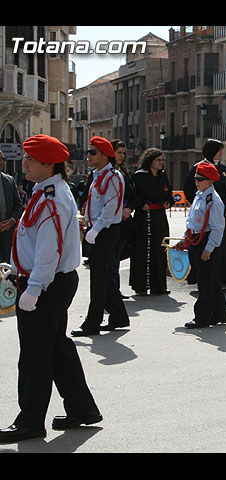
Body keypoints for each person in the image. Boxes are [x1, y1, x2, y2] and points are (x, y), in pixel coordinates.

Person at [0, 135, 101, 443]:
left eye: (31, 159)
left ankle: (30, 421)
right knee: (56, 346)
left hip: (47, 283)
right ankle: (82, 408)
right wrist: (16, 269)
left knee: (35, 353)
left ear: (48, 164)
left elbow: (49, 250)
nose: (25, 163)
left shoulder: (51, 198)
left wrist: (34, 288)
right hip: (49, 280)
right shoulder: (46, 191)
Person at [72, 136, 129, 336]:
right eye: (89, 151)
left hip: (104, 231)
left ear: (105, 155)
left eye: (93, 152)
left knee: (98, 278)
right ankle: (119, 316)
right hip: (96, 230)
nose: (88, 155)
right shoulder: (98, 175)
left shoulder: (112, 176)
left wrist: (96, 229)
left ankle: (92, 322)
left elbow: (111, 206)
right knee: (103, 276)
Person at [176, 162, 226, 328]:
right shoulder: (200, 195)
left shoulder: (214, 200)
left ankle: (202, 317)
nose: (197, 181)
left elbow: (218, 228)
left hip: (205, 241)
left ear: (211, 181)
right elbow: (192, 221)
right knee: (209, 281)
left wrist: (208, 249)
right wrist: (185, 239)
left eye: (201, 179)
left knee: (205, 282)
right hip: (196, 239)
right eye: (196, 178)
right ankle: (219, 314)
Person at [183, 139, 226, 284]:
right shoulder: (199, 167)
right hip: (206, 212)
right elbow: (189, 189)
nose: (221, 153)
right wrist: (200, 206)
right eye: (218, 150)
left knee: (224, 243)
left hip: (221, 210)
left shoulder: (224, 169)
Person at [129, 148, 174, 296]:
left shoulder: (163, 176)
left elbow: (169, 193)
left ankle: (158, 285)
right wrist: (140, 204)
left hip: (159, 215)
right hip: (144, 217)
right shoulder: (139, 176)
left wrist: (168, 201)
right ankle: (141, 285)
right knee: (142, 250)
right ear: (150, 161)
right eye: (158, 160)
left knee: (160, 248)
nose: (161, 163)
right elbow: (133, 195)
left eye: (162, 160)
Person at [108, 139, 136, 299]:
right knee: (110, 259)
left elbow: (133, 195)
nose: (122, 156)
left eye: (124, 153)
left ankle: (115, 289)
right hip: (110, 222)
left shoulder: (124, 173)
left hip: (124, 222)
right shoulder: (105, 172)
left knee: (116, 259)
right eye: (119, 152)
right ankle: (111, 291)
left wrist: (129, 208)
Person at [0, 148, 24, 262]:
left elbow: (18, 205)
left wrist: (13, 220)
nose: (1, 162)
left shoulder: (9, 181)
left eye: (3, 159)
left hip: (7, 234)